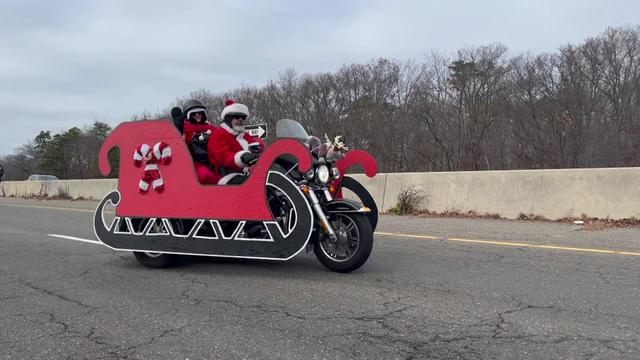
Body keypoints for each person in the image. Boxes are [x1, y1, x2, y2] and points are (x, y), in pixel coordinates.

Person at [208, 100, 265, 184]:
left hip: (249, 172)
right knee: (253, 183)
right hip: (226, 176)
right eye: (237, 117)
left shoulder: (245, 135)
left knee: (268, 180)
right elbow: (222, 156)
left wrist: (261, 151)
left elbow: (256, 147)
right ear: (228, 118)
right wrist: (242, 157)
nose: (241, 120)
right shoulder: (218, 135)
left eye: (243, 117)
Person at [176, 99, 220, 184]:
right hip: (196, 164)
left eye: (199, 113)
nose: (197, 115)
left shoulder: (212, 129)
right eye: (193, 114)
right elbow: (179, 145)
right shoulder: (186, 130)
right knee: (206, 177)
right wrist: (179, 130)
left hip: (214, 164)